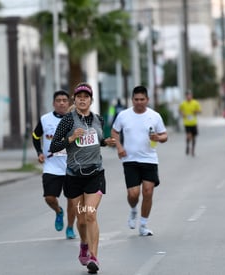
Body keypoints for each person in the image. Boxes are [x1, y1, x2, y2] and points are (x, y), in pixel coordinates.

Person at [50, 82, 116, 274]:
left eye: (86, 97)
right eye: (79, 97)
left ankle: (94, 257)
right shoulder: (68, 121)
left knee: (90, 214)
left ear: (91, 100)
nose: (82, 99)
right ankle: (84, 245)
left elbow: (96, 140)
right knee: (80, 221)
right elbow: (53, 147)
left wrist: (106, 142)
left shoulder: (98, 119)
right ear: (75, 100)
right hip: (74, 177)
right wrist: (70, 139)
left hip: (95, 173)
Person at [111, 85, 168, 236]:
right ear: (132, 100)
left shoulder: (155, 116)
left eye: (142, 99)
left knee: (148, 192)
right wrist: (119, 147)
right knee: (133, 194)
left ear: (147, 100)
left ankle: (143, 225)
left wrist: (158, 138)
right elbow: (114, 131)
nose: (139, 102)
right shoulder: (123, 115)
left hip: (149, 159)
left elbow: (165, 136)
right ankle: (133, 209)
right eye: (136, 99)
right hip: (129, 160)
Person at [32, 90, 76, 239]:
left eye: (65, 100)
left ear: (69, 103)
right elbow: (35, 136)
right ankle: (58, 211)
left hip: (71, 166)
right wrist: (39, 152)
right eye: (58, 100)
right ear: (53, 103)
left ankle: (70, 228)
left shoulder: (75, 119)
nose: (62, 103)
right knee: (49, 198)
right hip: (51, 166)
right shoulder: (45, 119)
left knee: (72, 200)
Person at [179, 91, 202, 156]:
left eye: (190, 95)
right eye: (187, 95)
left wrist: (196, 111)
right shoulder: (183, 103)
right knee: (188, 135)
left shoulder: (195, 103)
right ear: (186, 96)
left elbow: (199, 110)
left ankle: (193, 150)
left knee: (194, 137)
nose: (188, 97)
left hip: (194, 123)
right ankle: (187, 146)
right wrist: (182, 113)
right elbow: (180, 110)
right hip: (187, 123)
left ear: (191, 96)